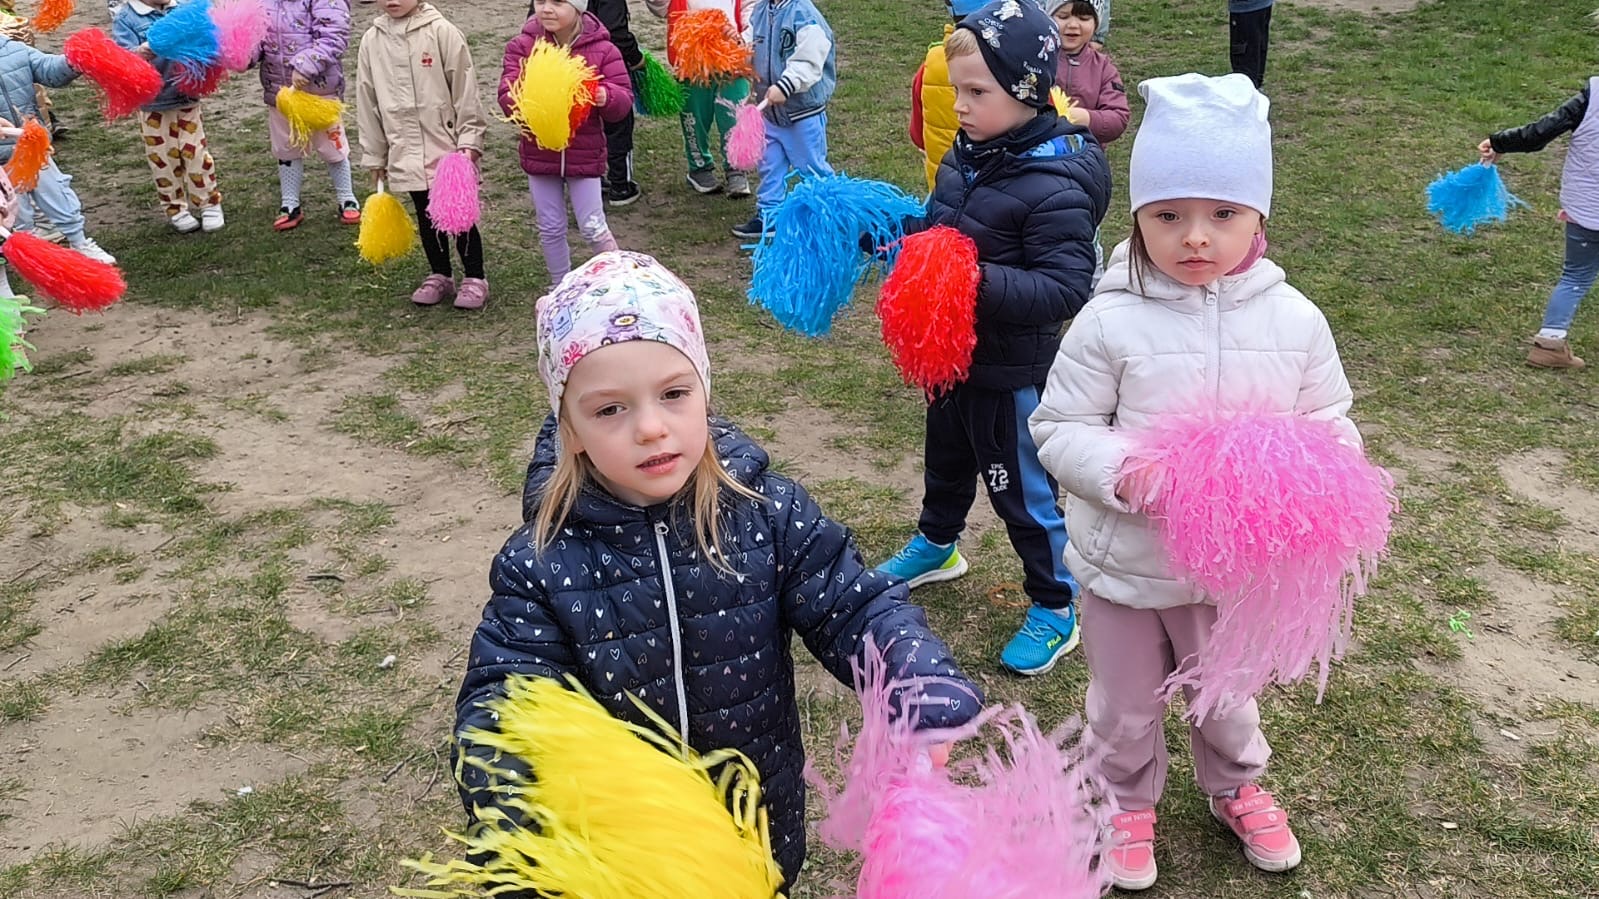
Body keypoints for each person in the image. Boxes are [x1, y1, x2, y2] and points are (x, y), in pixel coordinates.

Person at [453, 250, 981, 890]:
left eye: (673, 394)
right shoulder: (542, 560)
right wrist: (516, 804)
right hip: (628, 864)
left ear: (704, 390)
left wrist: (917, 683)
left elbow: (853, 605)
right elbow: (507, 696)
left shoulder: (766, 514)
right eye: (610, 409)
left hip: (755, 832)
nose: (651, 428)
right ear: (570, 430)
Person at [1029, 73, 1355, 890]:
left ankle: (1236, 784)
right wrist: (1123, 472)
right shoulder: (1108, 319)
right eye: (1168, 215)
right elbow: (1057, 427)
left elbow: (1329, 422)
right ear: (1137, 218)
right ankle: (1124, 799)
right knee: (1123, 703)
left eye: (1223, 214)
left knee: (1227, 694)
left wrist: (1306, 477)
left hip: (1229, 572)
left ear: (1259, 219)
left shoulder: (1295, 321)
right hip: (1126, 565)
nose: (1196, 237)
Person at [875, 0, 1109, 679]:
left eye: (978, 92)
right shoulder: (969, 152)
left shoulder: (1056, 181)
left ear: (1026, 89)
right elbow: (938, 226)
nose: (962, 106)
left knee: (1021, 492)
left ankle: (1056, 602)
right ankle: (937, 543)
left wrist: (968, 278)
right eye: (959, 91)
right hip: (951, 354)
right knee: (945, 459)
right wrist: (888, 236)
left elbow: (1063, 289)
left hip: (1009, 370)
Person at [356, 0, 489, 309]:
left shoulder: (442, 32)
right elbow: (367, 99)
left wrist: (469, 139)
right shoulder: (371, 41)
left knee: (457, 214)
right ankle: (440, 273)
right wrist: (375, 154)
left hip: (446, 145)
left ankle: (475, 276)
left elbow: (465, 89)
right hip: (403, 146)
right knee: (425, 213)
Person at [501, 0, 632, 287]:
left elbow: (623, 100)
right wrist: (526, 99)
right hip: (540, 155)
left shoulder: (604, 50)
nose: (547, 9)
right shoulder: (523, 46)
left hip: (584, 156)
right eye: (540, 1)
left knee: (593, 226)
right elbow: (506, 94)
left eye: (558, 2)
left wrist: (606, 96)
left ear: (579, 7)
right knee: (550, 227)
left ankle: (620, 282)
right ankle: (560, 286)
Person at [1481, 81, 1599, 369]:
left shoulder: (1594, 94)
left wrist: (1499, 142)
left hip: (1586, 208)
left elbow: (1540, 132)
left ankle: (1549, 344)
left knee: (1575, 275)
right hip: (1586, 207)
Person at [0, 29, 117, 262]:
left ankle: (79, 242)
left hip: (32, 148)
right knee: (15, 211)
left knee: (58, 194)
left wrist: (74, 61)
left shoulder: (13, 50)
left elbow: (49, 70)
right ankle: (30, 253)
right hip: (2, 159)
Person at [112, 0, 227, 233]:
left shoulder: (182, 8)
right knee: (163, 159)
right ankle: (176, 209)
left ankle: (209, 203)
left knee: (195, 153)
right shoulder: (126, 18)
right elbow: (121, 60)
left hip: (185, 98)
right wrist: (138, 53)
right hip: (153, 104)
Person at [730, 0, 835, 240]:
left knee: (811, 166)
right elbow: (751, 43)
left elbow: (810, 58)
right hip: (769, 112)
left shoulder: (804, 14)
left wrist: (787, 85)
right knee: (770, 166)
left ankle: (826, 213)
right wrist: (738, 50)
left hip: (802, 114)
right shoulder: (761, 10)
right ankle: (770, 215)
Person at [528, 0, 642, 206]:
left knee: (585, 123)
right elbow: (616, 31)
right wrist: (635, 58)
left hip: (573, 68)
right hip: (601, 65)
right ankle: (620, 184)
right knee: (614, 126)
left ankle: (584, 177)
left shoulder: (534, 34)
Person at [260, 0, 359, 231]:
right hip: (281, 93)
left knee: (332, 147)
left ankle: (347, 197)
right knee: (287, 147)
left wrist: (306, 65)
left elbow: (334, 35)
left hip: (320, 93)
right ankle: (290, 203)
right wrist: (243, 53)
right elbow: (257, 37)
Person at [645, 0, 752, 199]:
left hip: (732, 58)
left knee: (734, 117)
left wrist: (744, 36)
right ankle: (699, 168)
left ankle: (736, 168)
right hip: (691, 60)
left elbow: (751, 6)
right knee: (695, 117)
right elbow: (659, 7)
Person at [908, 0, 986, 195]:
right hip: (998, 190)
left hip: (942, 191)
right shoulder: (1010, 64)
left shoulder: (932, 62)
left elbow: (918, 136)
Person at [1046, 0, 1127, 147]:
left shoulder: (1104, 68)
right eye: (1063, 17)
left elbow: (1119, 117)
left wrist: (1087, 118)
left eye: (1084, 18)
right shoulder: (1036, 58)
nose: (1073, 24)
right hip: (1035, 152)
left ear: (1096, 24)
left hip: (1086, 154)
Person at [1229, 0, 1272, 88]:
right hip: (1261, 5)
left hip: (1246, 8)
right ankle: (1255, 87)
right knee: (1258, 46)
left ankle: (1248, 89)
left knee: (1245, 61)